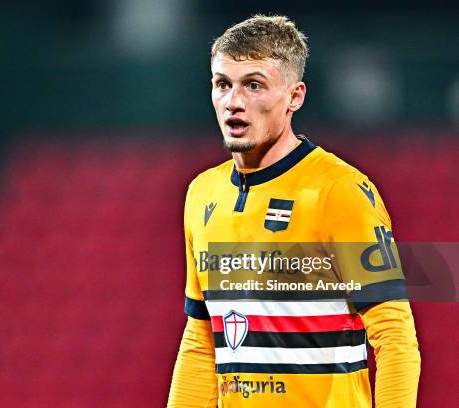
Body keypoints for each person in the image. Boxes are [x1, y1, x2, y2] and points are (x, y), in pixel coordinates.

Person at [167, 15, 420, 408]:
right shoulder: (202, 194)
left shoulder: (339, 191)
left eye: (253, 85)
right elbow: (201, 340)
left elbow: (396, 340)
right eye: (223, 84)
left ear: (294, 96)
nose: (234, 101)